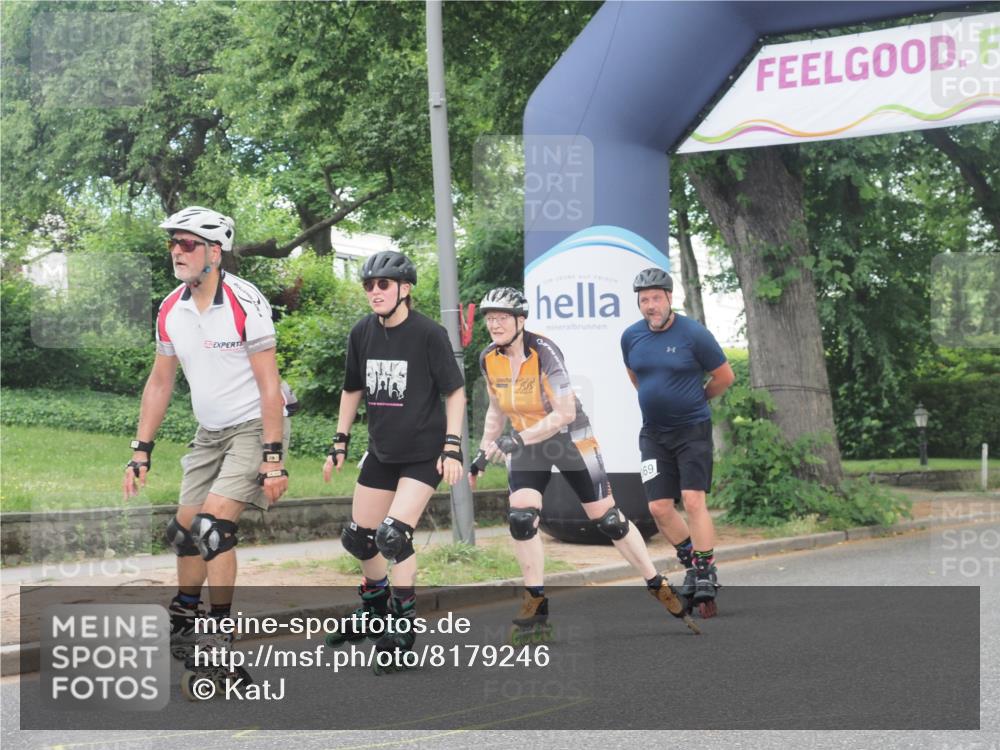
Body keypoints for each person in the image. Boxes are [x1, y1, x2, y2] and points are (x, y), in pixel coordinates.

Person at [468, 287, 699, 640]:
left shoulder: (544, 352)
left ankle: (656, 582)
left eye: (502, 318)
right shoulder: (488, 358)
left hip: (569, 437)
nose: (494, 325)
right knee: (521, 515)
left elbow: (565, 412)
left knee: (606, 518)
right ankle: (535, 601)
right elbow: (496, 409)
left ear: (520, 320)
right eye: (489, 319)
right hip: (529, 441)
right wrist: (483, 452)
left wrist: (517, 439)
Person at [122, 206, 294, 678]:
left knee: (212, 529)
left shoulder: (245, 302)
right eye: (174, 243)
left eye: (188, 243)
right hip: (209, 432)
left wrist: (273, 459)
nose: (178, 252)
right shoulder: (170, 309)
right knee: (183, 533)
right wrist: (141, 450)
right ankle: (184, 618)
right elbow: (159, 383)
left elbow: (269, 387)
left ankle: (220, 643)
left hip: (254, 425)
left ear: (214, 253)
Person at [324, 250, 466, 668]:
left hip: (424, 455)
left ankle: (402, 621)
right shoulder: (362, 332)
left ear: (405, 289)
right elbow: (352, 389)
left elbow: (454, 390)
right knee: (358, 538)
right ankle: (372, 607)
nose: (374, 292)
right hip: (382, 453)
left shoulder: (429, 334)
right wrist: (340, 441)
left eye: (382, 284)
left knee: (391, 536)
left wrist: (452, 446)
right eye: (368, 285)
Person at [621, 268, 735, 618]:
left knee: (692, 499)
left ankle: (706, 568)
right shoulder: (631, 337)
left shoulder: (694, 334)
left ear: (670, 298)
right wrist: (657, 400)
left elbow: (724, 376)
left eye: (656, 298)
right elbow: (635, 375)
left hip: (691, 430)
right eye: (644, 300)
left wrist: (697, 399)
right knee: (659, 508)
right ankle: (691, 561)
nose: (650, 305)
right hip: (653, 433)